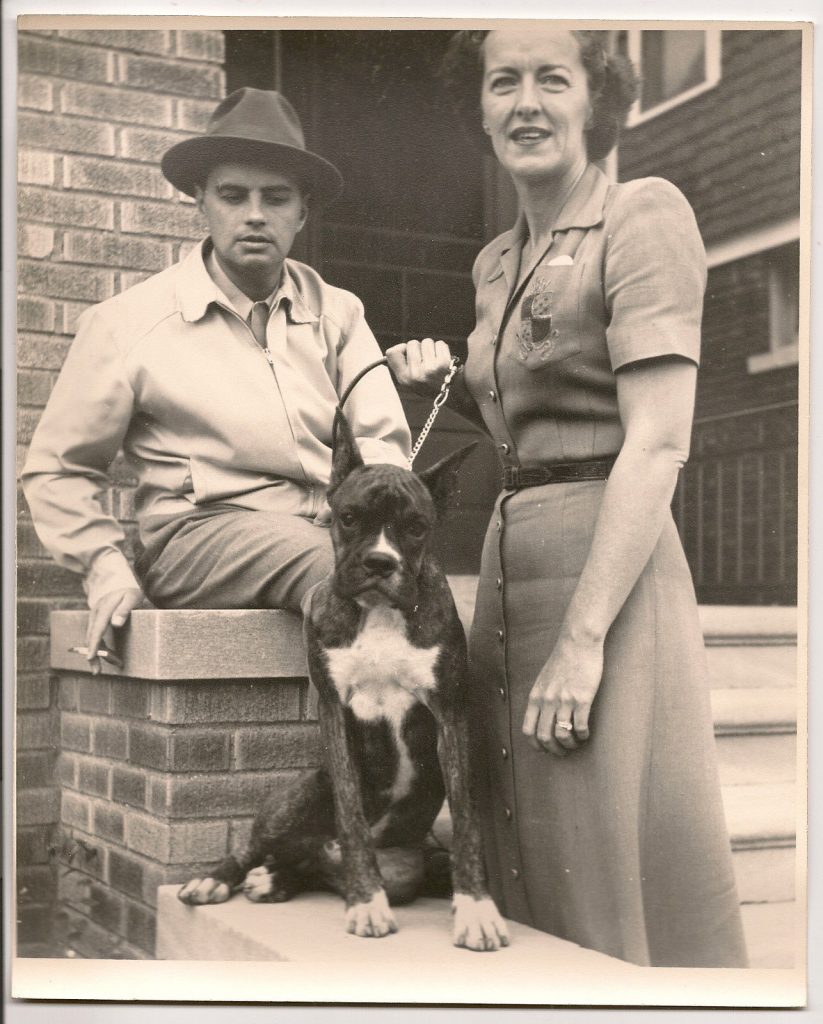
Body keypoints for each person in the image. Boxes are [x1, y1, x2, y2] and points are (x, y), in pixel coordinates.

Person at [387, 28, 748, 967]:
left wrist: (584, 643)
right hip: (515, 567)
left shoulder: (641, 215)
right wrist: (442, 382)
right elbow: (526, 404)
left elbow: (658, 439)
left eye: (553, 79)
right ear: (480, 107)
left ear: (599, 100)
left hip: (606, 571)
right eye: (503, 82)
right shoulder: (494, 262)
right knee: (528, 862)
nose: (525, 103)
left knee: (606, 864)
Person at [23, 88, 410, 674]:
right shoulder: (127, 325)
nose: (255, 214)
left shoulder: (339, 314)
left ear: (302, 212)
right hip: (196, 538)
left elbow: (384, 442)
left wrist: (366, 507)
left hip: (327, 528)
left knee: (410, 582)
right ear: (200, 201)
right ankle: (357, 762)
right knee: (341, 571)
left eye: (276, 198)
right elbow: (57, 469)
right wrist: (104, 569)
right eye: (233, 195)